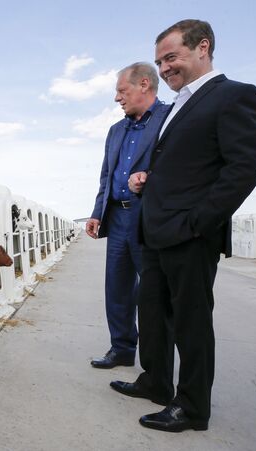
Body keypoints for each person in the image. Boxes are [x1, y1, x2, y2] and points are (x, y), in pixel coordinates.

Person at [110, 19, 256, 432]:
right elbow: (186, 166)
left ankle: (193, 406)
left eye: (172, 57)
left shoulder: (234, 96)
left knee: (191, 322)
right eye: (160, 61)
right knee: (153, 311)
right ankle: (156, 381)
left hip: (190, 234)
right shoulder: (178, 104)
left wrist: (199, 222)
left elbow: (244, 167)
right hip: (158, 230)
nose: (164, 68)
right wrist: (148, 180)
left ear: (203, 47)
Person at [86, 62, 171, 369]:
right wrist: (97, 212)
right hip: (118, 217)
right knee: (117, 287)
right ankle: (121, 348)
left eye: (122, 91)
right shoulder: (116, 130)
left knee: (152, 291)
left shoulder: (169, 117)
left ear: (144, 85)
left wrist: (149, 175)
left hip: (148, 216)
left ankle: (154, 363)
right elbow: (106, 176)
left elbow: (177, 163)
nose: (117, 98)